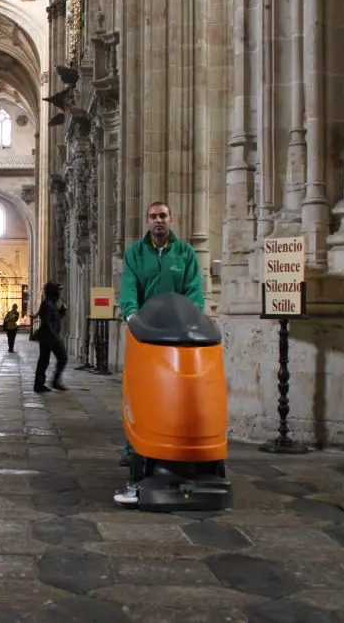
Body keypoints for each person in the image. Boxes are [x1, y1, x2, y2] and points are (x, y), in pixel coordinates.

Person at [115, 201, 206, 506]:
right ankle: (133, 446)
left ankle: (178, 440)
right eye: (153, 216)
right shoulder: (135, 254)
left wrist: (191, 320)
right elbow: (128, 290)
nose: (158, 221)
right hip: (146, 334)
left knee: (177, 391)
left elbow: (194, 291)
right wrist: (133, 317)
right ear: (147, 221)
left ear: (171, 219)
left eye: (163, 216)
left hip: (178, 334)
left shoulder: (186, 253)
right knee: (139, 391)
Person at [33, 281, 67, 393]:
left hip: (51, 336)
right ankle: (40, 384)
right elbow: (47, 322)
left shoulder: (52, 303)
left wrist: (62, 311)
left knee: (59, 358)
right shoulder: (46, 304)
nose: (59, 293)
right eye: (58, 291)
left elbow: (56, 318)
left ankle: (52, 382)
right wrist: (54, 335)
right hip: (48, 337)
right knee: (45, 360)